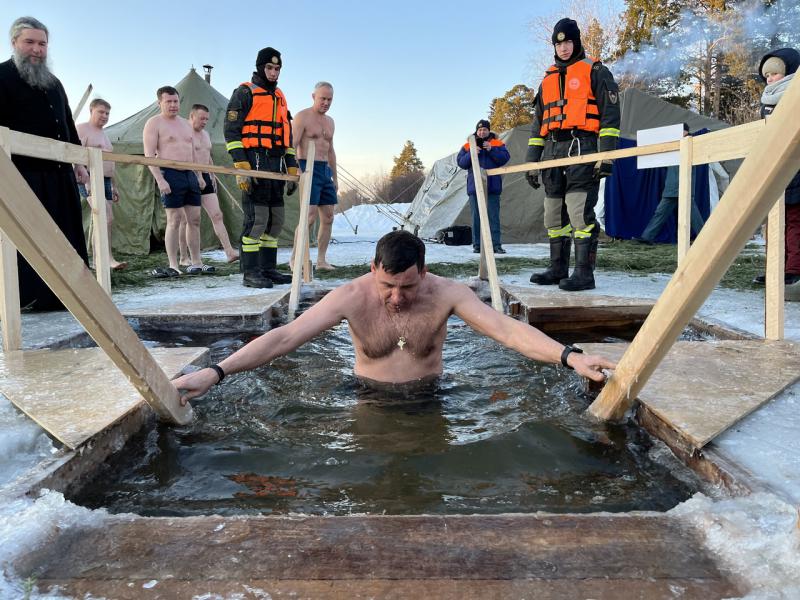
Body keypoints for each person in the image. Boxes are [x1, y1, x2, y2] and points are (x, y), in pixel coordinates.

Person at [172, 230, 616, 405]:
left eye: (409, 287)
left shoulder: (447, 294)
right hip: (369, 395)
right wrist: (217, 371)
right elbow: (286, 338)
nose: (398, 298)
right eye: (388, 287)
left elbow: (504, 329)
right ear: (373, 271)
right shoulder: (350, 296)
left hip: (432, 394)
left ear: (424, 271)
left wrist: (570, 356)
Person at [0, 16, 89, 311]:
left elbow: (66, 124)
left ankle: (69, 294)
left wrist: (79, 160)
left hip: (61, 174)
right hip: (22, 174)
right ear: (14, 43)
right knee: (30, 237)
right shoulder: (2, 77)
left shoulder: (54, 83)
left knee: (65, 233)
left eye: (42, 43)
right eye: (30, 42)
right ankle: (31, 299)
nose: (37, 49)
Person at [525, 18, 621, 292]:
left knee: (579, 213)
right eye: (559, 43)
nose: (564, 48)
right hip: (553, 152)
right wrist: (532, 162)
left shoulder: (597, 71)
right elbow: (537, 125)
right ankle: (557, 268)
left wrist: (606, 156)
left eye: (568, 42)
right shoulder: (547, 81)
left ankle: (583, 274)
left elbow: (610, 118)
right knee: (553, 216)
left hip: (584, 148)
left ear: (577, 42)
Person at [224, 47, 297, 288]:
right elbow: (231, 131)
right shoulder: (245, 92)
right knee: (257, 220)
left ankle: (268, 269)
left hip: (276, 165)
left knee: (275, 220)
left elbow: (287, 137)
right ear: (260, 67)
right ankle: (250, 272)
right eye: (269, 68)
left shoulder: (280, 98)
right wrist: (241, 165)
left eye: (277, 69)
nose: (274, 72)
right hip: (254, 161)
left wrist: (292, 168)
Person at [143, 86, 214, 277]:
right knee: (174, 220)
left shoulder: (185, 124)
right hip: (169, 173)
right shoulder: (154, 123)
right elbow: (149, 155)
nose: (173, 105)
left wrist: (199, 176)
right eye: (169, 101)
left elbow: (192, 152)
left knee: (195, 220)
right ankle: (174, 264)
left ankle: (196, 261)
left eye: (176, 101)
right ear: (160, 103)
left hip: (189, 174)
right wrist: (160, 179)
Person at [752, 48, 800, 290]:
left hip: (795, 168)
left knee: (794, 221)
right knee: (774, 224)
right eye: (767, 75)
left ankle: (793, 270)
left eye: (775, 74)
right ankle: (775, 268)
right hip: (773, 168)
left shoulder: (796, 94)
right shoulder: (767, 101)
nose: (770, 79)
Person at [179, 103, 239, 264]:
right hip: (188, 175)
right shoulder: (184, 132)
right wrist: (197, 175)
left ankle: (229, 252)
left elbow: (207, 153)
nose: (204, 121)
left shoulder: (205, 134)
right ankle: (184, 257)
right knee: (187, 220)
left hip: (206, 175)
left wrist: (211, 171)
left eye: (206, 119)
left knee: (217, 214)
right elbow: (187, 155)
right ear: (191, 116)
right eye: (201, 118)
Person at [290, 81, 338, 271]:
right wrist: (296, 169)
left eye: (329, 99)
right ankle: (295, 258)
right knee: (308, 217)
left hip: (324, 170)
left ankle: (321, 260)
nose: (326, 102)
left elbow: (331, 151)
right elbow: (291, 145)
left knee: (328, 216)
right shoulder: (302, 117)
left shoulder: (331, 122)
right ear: (313, 97)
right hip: (306, 166)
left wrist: (335, 178)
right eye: (322, 98)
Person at [76, 98, 127, 271]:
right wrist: (87, 181)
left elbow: (110, 162)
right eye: (101, 112)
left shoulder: (104, 134)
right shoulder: (82, 129)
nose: (105, 116)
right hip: (90, 177)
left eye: (107, 113)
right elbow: (76, 156)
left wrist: (114, 185)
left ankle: (99, 259)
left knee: (105, 219)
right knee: (105, 216)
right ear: (91, 111)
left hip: (106, 180)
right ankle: (107, 259)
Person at [633, 123, 705, 245]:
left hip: (685, 186)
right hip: (671, 187)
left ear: (685, 131)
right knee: (660, 213)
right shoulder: (673, 144)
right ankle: (647, 237)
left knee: (694, 216)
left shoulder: (692, 143)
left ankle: (705, 238)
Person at [456, 119, 510, 254]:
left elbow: (505, 158)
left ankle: (496, 245)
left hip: (493, 186)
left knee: (493, 216)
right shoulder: (468, 145)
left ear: (488, 131)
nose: (482, 132)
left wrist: (491, 150)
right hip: (475, 187)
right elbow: (461, 163)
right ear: (476, 131)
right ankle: (477, 245)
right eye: (480, 130)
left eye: (484, 129)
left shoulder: (497, 143)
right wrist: (472, 153)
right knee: (476, 217)